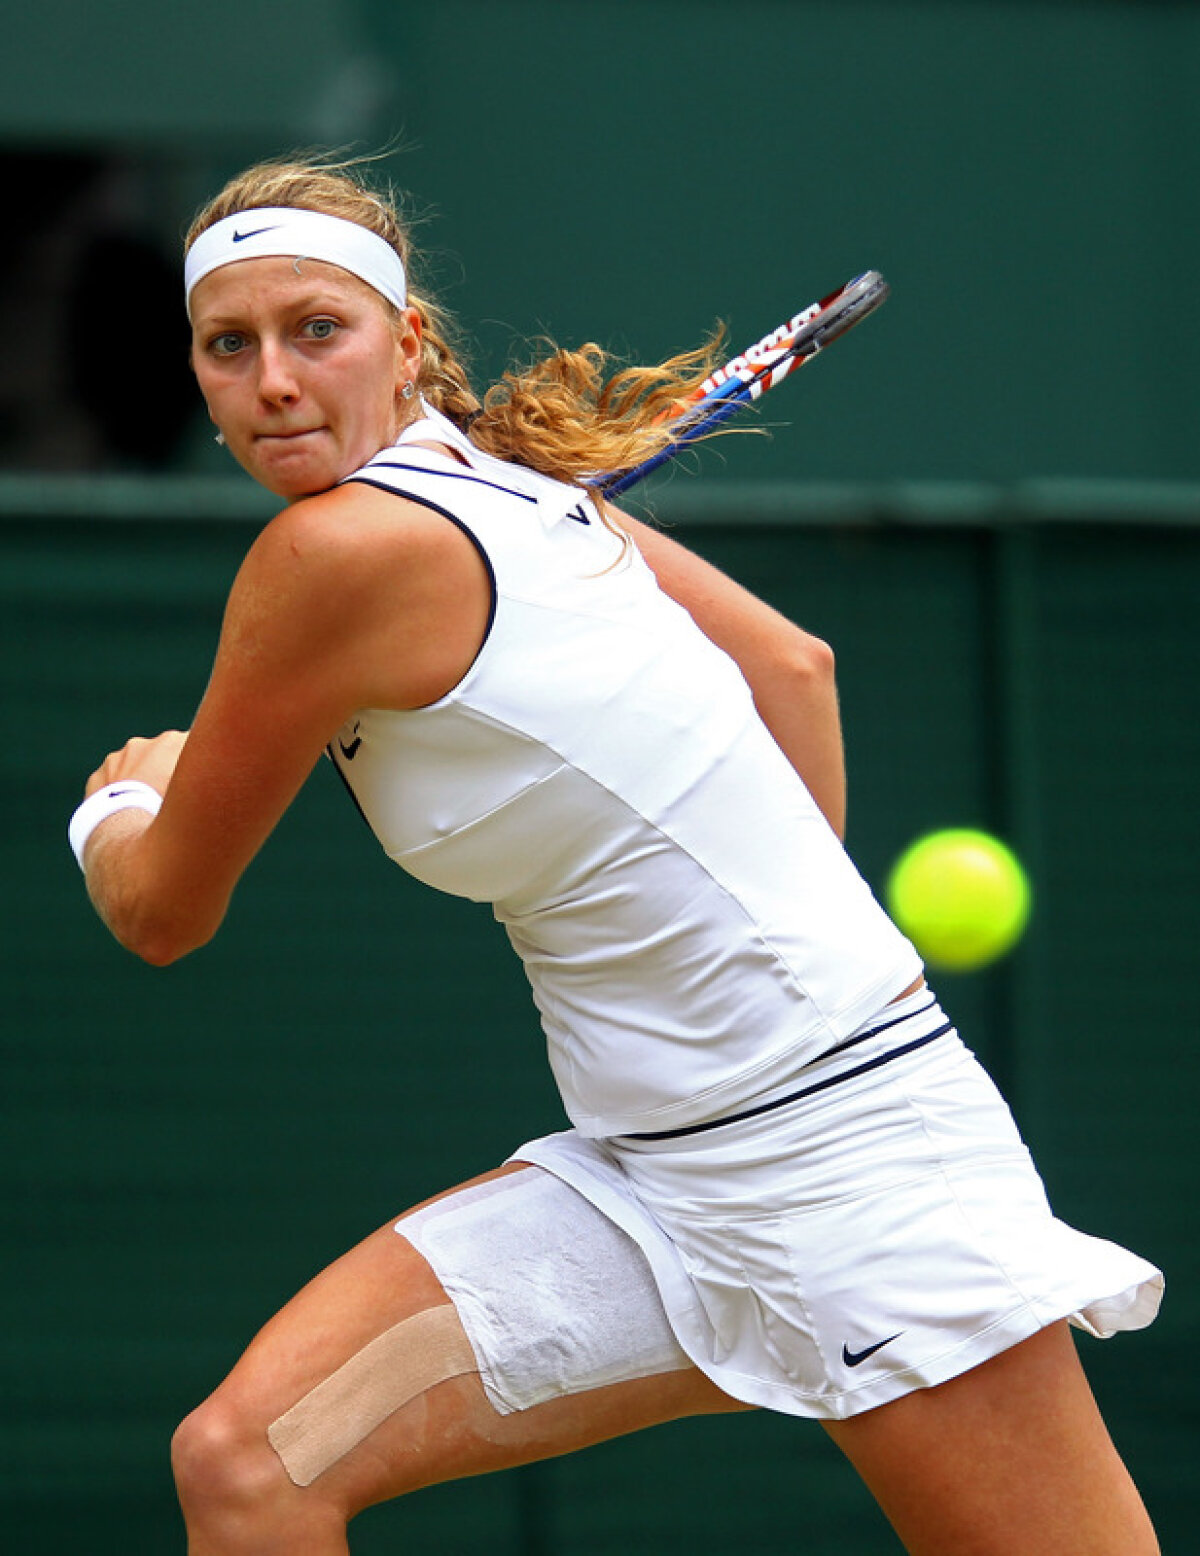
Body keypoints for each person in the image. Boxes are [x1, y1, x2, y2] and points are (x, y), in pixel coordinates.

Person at [69, 156, 1163, 1556]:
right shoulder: (504, 489)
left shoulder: (337, 553)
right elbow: (791, 668)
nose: (273, 379)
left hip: (857, 1166)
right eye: (232, 347)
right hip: (653, 1182)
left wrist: (118, 806)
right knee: (251, 1466)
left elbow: (164, 910)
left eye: (315, 331)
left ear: (404, 344)